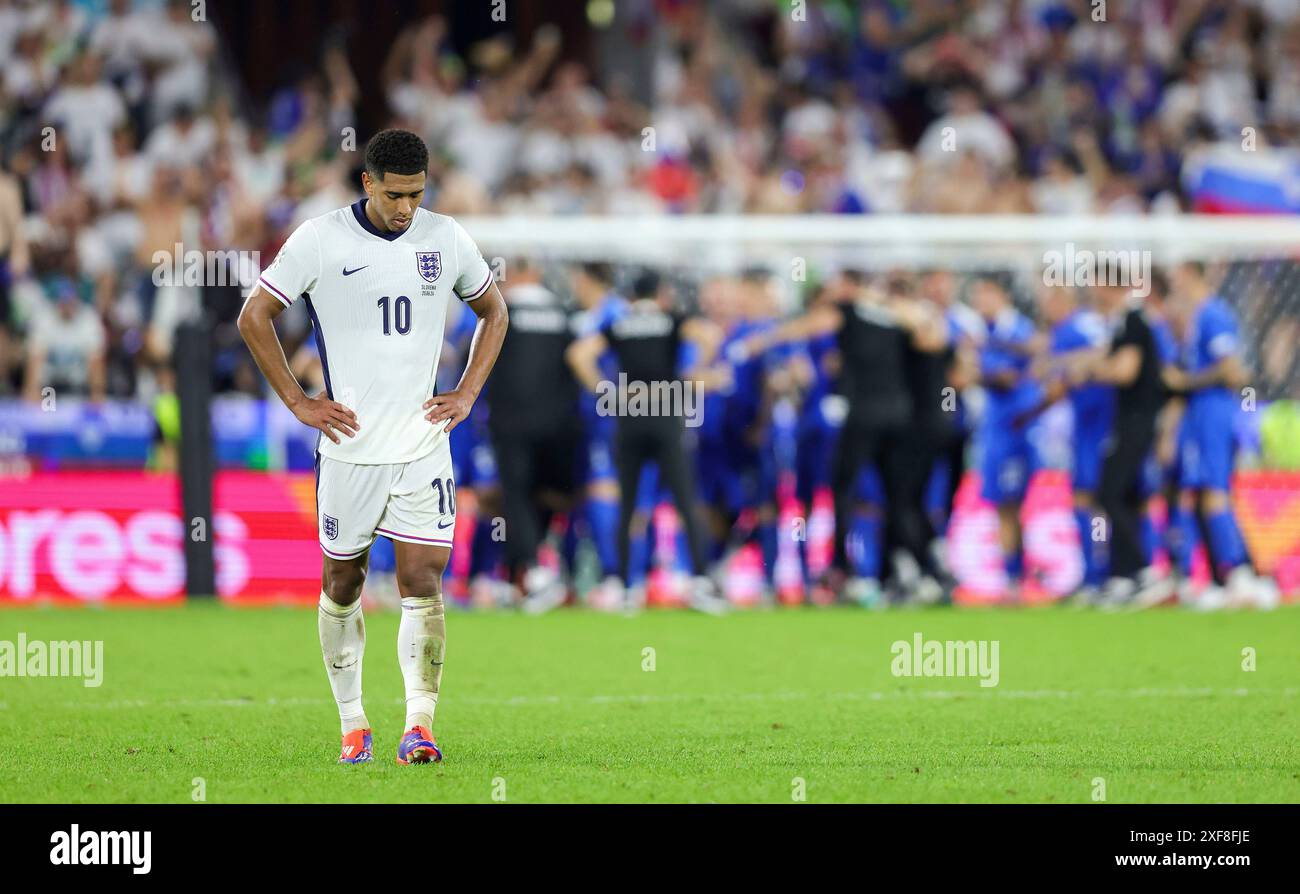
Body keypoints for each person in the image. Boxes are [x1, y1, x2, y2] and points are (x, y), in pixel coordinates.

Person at [238, 129, 509, 765]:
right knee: (342, 582)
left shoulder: (445, 238)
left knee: (423, 580)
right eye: (394, 195)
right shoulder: (319, 238)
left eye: (416, 194)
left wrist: (466, 394)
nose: (406, 207)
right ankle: (353, 724)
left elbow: (495, 312)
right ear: (368, 184)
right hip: (349, 449)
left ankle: (419, 726)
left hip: (421, 446)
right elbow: (254, 316)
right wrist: (300, 404)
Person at [566, 270, 726, 613]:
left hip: (630, 416)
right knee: (685, 500)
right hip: (667, 413)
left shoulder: (620, 324)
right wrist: (694, 371)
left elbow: (579, 354)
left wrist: (604, 391)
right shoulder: (671, 320)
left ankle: (625, 585)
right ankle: (699, 580)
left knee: (628, 505)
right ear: (662, 293)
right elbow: (710, 335)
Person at [1162, 262, 1277, 609]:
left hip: (1214, 411)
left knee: (1215, 492)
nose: (1175, 287)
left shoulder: (1215, 314)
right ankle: (1224, 577)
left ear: (1192, 276)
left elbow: (1232, 370)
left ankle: (1243, 574)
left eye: (1178, 278)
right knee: (1199, 493)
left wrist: (1187, 382)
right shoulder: (1195, 319)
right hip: (1200, 412)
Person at [484, 258, 583, 613]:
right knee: (550, 495)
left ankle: (527, 572)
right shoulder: (565, 315)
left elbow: (476, 361)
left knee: (516, 494)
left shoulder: (498, 312)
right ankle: (534, 573)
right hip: (560, 425)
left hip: (511, 423)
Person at [972, 277, 1041, 600]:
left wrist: (976, 372)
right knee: (1003, 505)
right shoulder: (988, 332)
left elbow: (1009, 377)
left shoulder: (1017, 331)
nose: (978, 301)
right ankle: (1014, 575)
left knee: (1010, 505)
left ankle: (1015, 578)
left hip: (1015, 430)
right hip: (997, 430)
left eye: (984, 293)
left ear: (1001, 294)